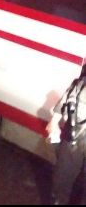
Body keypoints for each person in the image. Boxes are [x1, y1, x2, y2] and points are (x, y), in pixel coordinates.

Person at [46, 64, 86, 205]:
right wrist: (54, 121)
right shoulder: (78, 85)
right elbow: (65, 103)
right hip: (74, 139)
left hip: (75, 139)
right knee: (61, 181)